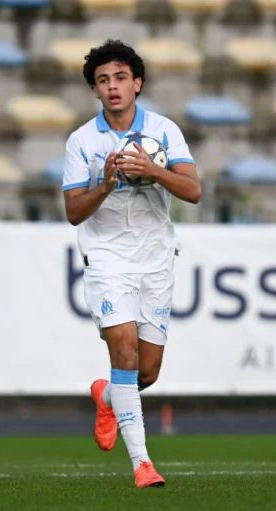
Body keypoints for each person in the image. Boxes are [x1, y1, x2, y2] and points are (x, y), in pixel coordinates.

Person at [62, 39, 201, 487]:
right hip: (106, 258)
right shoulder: (81, 141)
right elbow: (72, 212)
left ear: (137, 83)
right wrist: (103, 186)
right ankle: (143, 464)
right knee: (122, 349)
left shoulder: (163, 131)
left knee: (145, 372)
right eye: (103, 81)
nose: (113, 87)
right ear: (95, 91)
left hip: (155, 257)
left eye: (120, 78)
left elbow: (193, 191)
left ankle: (107, 395)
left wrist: (152, 171)